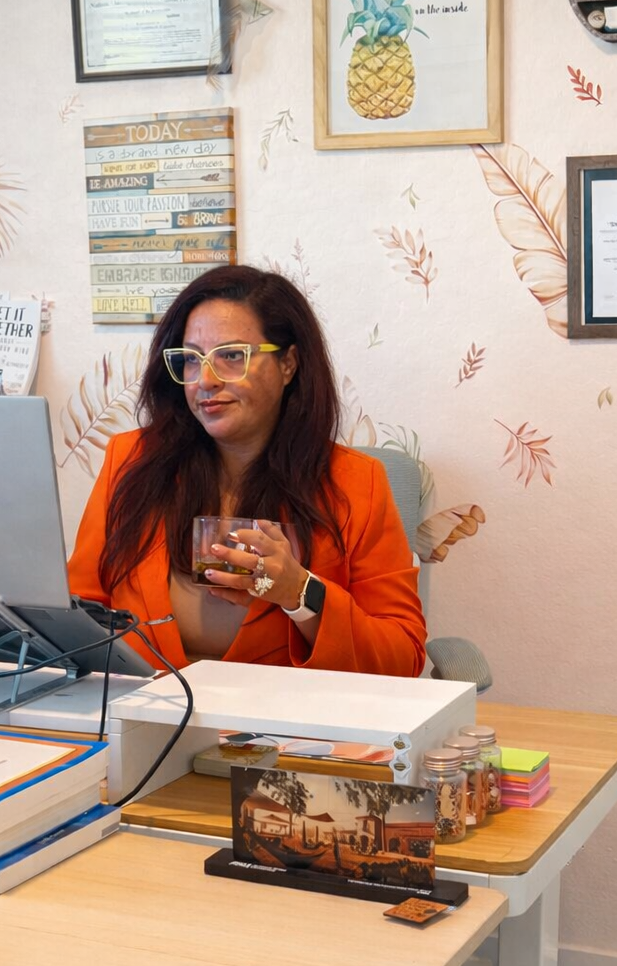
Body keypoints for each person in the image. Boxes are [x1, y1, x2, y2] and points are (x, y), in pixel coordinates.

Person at [67, 264, 425, 676]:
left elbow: (402, 659)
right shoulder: (130, 460)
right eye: (190, 359)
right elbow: (79, 611)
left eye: (232, 356)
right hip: (146, 715)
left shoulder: (357, 482)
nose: (205, 380)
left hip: (286, 726)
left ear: (288, 364)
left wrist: (300, 593)